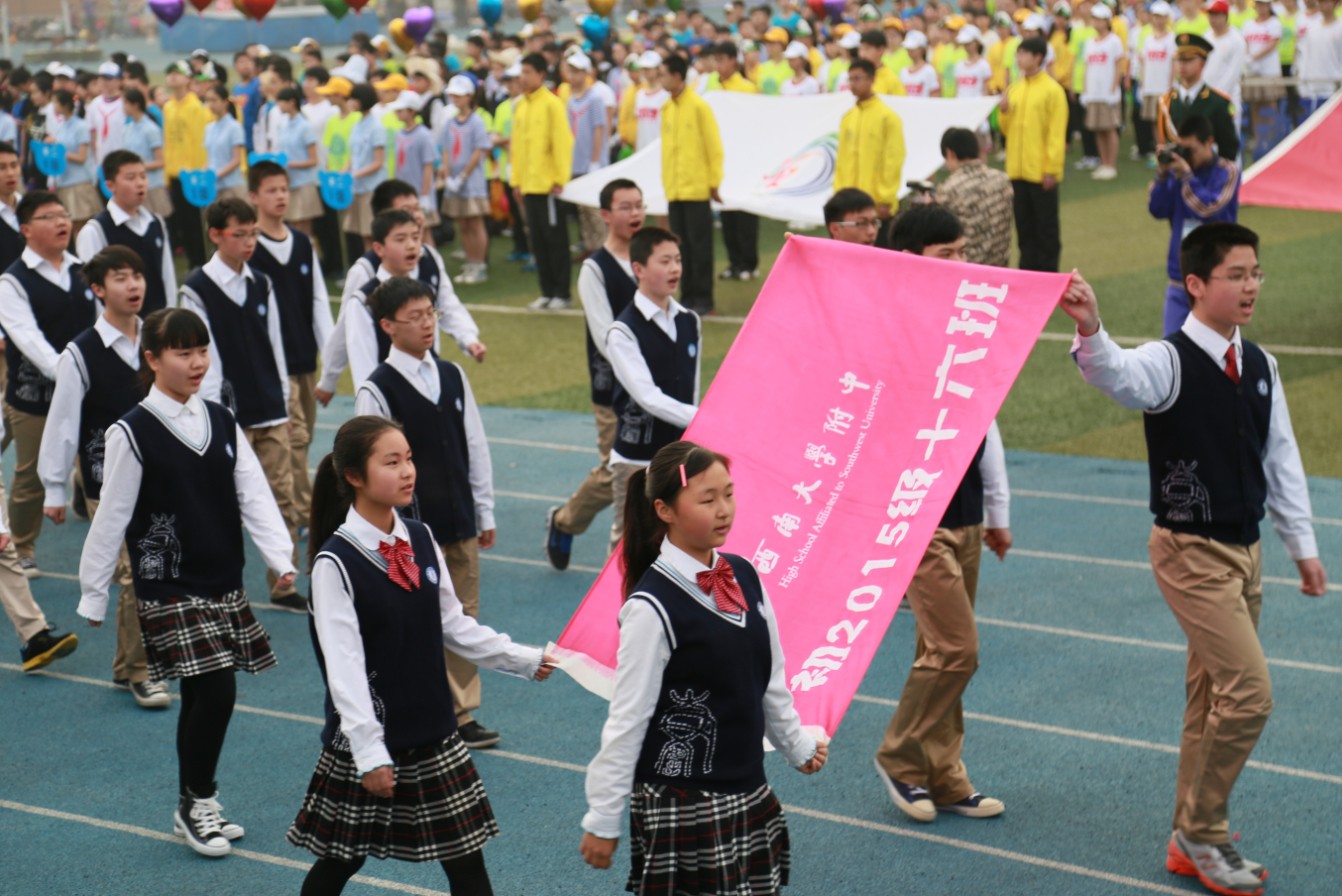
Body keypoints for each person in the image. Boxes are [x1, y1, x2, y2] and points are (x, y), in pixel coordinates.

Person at [1059, 223, 1326, 896]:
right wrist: (1092, 329)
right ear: (1196, 285)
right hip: (1189, 550)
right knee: (1251, 695)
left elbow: (1282, 458)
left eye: (1256, 273)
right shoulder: (1169, 360)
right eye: (1236, 275)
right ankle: (1201, 833)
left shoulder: (1262, 365)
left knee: (1211, 695)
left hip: (1247, 551)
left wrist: (1305, 548)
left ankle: (1189, 833)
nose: (1251, 286)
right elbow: (1117, 377)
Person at [288, 414, 553, 895]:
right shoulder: (335, 563)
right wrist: (369, 752)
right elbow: (343, 667)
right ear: (353, 476)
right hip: (370, 739)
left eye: (409, 458)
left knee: (468, 865)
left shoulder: (420, 537)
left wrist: (527, 660)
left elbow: (453, 626)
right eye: (391, 462)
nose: (408, 470)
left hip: (433, 731)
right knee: (340, 863)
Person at [77, 306, 295, 856]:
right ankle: (199, 800)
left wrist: (281, 557)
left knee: (204, 690)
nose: (197, 362)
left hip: (222, 574)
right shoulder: (132, 431)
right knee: (218, 686)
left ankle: (190, 803)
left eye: (202, 350)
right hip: (167, 580)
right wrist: (92, 589)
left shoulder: (220, 419)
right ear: (151, 359)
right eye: (183, 352)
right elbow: (113, 512)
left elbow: (253, 491)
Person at [579, 440, 827, 893]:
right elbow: (628, 719)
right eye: (707, 499)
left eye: (728, 495)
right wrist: (602, 818)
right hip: (682, 799)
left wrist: (798, 747)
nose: (723, 510)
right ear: (664, 510)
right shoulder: (650, 608)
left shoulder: (743, 573)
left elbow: (768, 677)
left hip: (748, 787)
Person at [873, 203, 1012, 824]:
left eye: (963, 251)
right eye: (946, 254)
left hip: (967, 511)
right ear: (910, 259)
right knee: (958, 650)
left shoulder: (968, 327)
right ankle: (901, 759)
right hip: (915, 514)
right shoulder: (891, 329)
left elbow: (984, 419)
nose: (960, 262)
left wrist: (998, 507)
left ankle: (946, 773)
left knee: (939, 651)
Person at [354, 277, 501, 750]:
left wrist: (485, 508)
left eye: (430, 313)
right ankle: (418, 707)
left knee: (466, 613)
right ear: (387, 327)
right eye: (413, 316)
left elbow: (473, 444)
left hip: (457, 519)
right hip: (408, 531)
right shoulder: (377, 389)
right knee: (411, 619)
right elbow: (365, 463)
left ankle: (459, 712)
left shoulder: (453, 375)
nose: (425, 324)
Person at [38, 246, 166, 708]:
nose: (133, 286)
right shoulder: (80, 354)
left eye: (137, 276)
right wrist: (55, 487)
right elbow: (63, 421)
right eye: (120, 278)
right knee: (136, 574)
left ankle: (125, 663)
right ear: (97, 289)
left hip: (158, 475)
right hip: (105, 481)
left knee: (151, 569)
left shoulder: (156, 340)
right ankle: (139, 670)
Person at [178, 197, 304, 612]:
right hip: (226, 414)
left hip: (268, 405)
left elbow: (276, 345)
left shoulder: (261, 283)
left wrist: (284, 397)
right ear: (216, 235)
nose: (250, 242)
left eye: (253, 234)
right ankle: (218, 583)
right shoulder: (195, 289)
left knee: (282, 495)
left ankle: (284, 579)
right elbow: (202, 357)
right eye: (240, 234)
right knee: (221, 503)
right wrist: (213, 415)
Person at [545, 179, 645, 570]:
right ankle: (565, 521)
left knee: (647, 471)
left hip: (653, 389)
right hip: (615, 391)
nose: (635, 213)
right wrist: (641, 374)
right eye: (625, 207)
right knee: (615, 471)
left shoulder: (650, 258)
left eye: (639, 205)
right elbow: (606, 337)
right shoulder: (595, 269)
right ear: (605, 215)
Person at [0, 191, 97, 577]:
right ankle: (22, 544)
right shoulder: (11, 282)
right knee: (32, 473)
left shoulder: (84, 270)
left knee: (102, 465)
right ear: (26, 229)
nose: (62, 222)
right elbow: (30, 341)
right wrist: (73, 374)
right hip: (34, 395)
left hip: (89, 388)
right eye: (49, 216)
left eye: (64, 214)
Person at [247, 161, 334, 533]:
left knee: (303, 437)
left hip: (304, 359)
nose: (280, 196)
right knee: (293, 438)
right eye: (271, 190)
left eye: (284, 189)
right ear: (254, 196)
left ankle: (278, 502)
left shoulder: (301, 242)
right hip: (269, 365)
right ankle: (304, 513)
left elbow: (317, 300)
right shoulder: (249, 247)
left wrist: (330, 358)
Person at [605, 226, 701, 553]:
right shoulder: (622, 331)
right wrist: (702, 418)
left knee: (679, 544)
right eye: (665, 261)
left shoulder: (690, 320)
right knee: (628, 549)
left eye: (677, 260)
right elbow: (647, 397)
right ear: (639, 269)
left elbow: (692, 387)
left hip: (680, 457)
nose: (674, 268)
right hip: (636, 458)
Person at [1150, 115, 1240, 335]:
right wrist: (1162, 177)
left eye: (1191, 149)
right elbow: (1157, 210)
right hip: (1180, 277)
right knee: (1171, 352)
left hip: (1215, 278)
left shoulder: (1227, 171)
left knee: (1215, 356)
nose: (1187, 156)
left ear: (1209, 142)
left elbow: (1209, 208)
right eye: (1183, 149)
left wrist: (1187, 177)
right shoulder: (1178, 173)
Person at [75, 150, 176, 315]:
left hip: (159, 324)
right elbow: (92, 290)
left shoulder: (156, 223)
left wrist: (170, 315)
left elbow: (167, 275)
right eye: (131, 178)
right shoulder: (96, 230)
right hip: (121, 327)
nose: (140, 183)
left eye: (143, 176)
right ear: (110, 185)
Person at [998, 37, 1068, 272]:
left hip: (1040, 173)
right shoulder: (1015, 89)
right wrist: (1005, 112)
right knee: (1024, 229)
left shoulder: (1053, 91)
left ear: (1038, 57)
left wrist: (1051, 170)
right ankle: (1028, 275)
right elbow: (1007, 131)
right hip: (1017, 172)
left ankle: (1048, 277)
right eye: (1018, 53)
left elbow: (1056, 134)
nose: (1019, 58)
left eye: (1023, 53)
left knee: (1046, 229)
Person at [659, 54, 722, 315]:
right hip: (674, 189)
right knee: (680, 247)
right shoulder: (667, 108)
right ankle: (687, 295)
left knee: (700, 247)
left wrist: (713, 182)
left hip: (695, 189)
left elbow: (713, 147)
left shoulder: (698, 106)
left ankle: (704, 298)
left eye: (662, 73)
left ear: (676, 76)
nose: (659, 79)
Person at [513, 53, 575, 311]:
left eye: (528, 71)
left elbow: (562, 143)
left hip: (549, 185)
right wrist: (516, 180)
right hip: (528, 184)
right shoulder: (522, 105)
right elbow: (517, 147)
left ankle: (562, 291)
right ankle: (546, 290)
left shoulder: (552, 103)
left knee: (555, 239)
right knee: (536, 239)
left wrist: (560, 178)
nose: (523, 77)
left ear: (541, 74)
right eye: (522, 71)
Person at [709, 45, 760, 285]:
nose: (718, 65)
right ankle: (734, 262)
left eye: (721, 60)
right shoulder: (713, 89)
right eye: (715, 60)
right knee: (727, 211)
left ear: (732, 61)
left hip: (745, 158)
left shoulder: (747, 89)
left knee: (745, 213)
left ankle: (750, 263)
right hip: (723, 157)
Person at [833, 60, 905, 221]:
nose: (852, 84)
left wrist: (885, 198)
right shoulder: (848, 117)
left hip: (876, 204)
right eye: (850, 79)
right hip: (848, 203)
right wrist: (839, 193)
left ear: (872, 79)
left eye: (857, 78)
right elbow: (842, 161)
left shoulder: (888, 117)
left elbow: (893, 160)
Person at [936, 126, 1014, 268]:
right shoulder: (1002, 180)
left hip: (968, 274)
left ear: (950, 153)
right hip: (1000, 270)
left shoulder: (949, 189)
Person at [441, 76, 493, 286]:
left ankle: (480, 264)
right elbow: (445, 150)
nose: (455, 99)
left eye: (459, 95)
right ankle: (471, 261)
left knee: (475, 223)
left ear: (469, 97)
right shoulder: (449, 122)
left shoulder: (477, 121)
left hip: (471, 182)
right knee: (462, 223)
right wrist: (447, 174)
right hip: (454, 181)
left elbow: (478, 151)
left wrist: (462, 176)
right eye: (453, 95)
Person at [1156, 34, 1240, 161]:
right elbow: (1166, 142)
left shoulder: (1218, 102)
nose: (1182, 65)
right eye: (1179, 60)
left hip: (1208, 176)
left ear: (1202, 63)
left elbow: (1228, 149)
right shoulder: (1166, 101)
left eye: (1188, 60)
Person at [162, 61, 210, 267]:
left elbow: (199, 141)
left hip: (192, 175)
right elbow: (168, 140)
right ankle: (192, 261)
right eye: (169, 73)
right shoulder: (168, 106)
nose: (172, 77)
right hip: (174, 174)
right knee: (182, 221)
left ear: (188, 79)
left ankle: (201, 261)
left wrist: (197, 173)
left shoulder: (196, 107)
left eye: (177, 73)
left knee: (195, 222)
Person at [1080, 4, 1126, 180]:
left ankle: (1111, 165)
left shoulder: (1114, 41)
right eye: (1094, 19)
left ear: (1107, 21)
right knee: (1098, 128)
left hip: (1108, 93)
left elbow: (1118, 66)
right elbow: (1087, 68)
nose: (1096, 23)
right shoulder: (1090, 42)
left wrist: (1114, 88)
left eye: (1100, 19)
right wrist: (1085, 90)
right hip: (1093, 92)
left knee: (1109, 128)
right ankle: (1103, 163)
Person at [47, 89, 101, 233]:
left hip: (78, 184)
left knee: (81, 227)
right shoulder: (61, 126)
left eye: (55, 102)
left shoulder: (81, 126)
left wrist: (60, 150)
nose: (53, 106)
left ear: (64, 105)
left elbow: (82, 157)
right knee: (70, 228)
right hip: (64, 182)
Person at [345, 83, 388, 251]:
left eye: (354, 99)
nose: (351, 102)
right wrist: (344, 171)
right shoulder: (357, 124)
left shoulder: (376, 127)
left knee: (372, 233)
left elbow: (378, 162)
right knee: (363, 233)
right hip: (358, 187)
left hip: (372, 187)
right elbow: (353, 155)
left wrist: (354, 174)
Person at [273, 87, 321, 235]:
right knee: (293, 226)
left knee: (305, 228)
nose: (278, 106)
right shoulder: (284, 125)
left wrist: (289, 164)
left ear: (291, 102)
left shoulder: (305, 126)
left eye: (281, 102)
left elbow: (313, 160)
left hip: (304, 183)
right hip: (289, 182)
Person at [1138, 3, 1179, 168]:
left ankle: (1172, 152)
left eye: (1161, 16)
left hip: (1165, 88)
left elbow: (1174, 64)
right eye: (1155, 16)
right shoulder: (1148, 38)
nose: (1158, 20)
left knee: (1168, 123)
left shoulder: (1172, 39)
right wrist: (1142, 83)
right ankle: (1160, 152)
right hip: (1150, 86)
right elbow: (1144, 63)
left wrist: (1171, 85)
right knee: (1155, 123)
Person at [1242, 0, 1285, 157]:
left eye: (1264, 4)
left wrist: (1254, 57)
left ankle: (1271, 137)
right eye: (1259, 4)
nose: (1261, 7)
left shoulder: (1274, 22)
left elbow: (1273, 43)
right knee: (1255, 104)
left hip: (1269, 70)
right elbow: (1245, 42)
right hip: (1253, 71)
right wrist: (1248, 58)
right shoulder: (1248, 24)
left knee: (1270, 102)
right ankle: (1258, 137)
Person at [121, 88, 172, 218]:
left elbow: (160, 161)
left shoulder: (150, 129)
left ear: (135, 105)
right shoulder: (127, 128)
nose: (123, 107)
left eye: (125, 103)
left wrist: (136, 168)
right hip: (134, 187)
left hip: (152, 185)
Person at [1291, 0, 1341, 117]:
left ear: (1334, 4)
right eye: (1321, 3)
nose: (1323, 6)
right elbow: (1305, 56)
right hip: (1312, 89)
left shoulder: (1340, 27)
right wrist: (1302, 82)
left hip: (1333, 90)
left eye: (1326, 2)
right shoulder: (1311, 29)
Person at [1203, 0, 1248, 116]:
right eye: (1210, 15)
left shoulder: (1236, 40)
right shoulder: (1206, 36)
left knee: (1228, 132)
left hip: (1228, 98)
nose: (1212, 19)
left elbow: (1233, 73)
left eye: (1216, 15)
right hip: (1205, 97)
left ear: (1225, 16)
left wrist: (1216, 96)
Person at [203, 85, 246, 201]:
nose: (210, 104)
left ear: (225, 102)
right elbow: (209, 158)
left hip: (231, 186)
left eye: (214, 100)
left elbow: (236, 160)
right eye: (208, 101)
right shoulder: (209, 128)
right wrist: (204, 175)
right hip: (214, 188)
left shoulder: (234, 127)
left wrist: (216, 175)